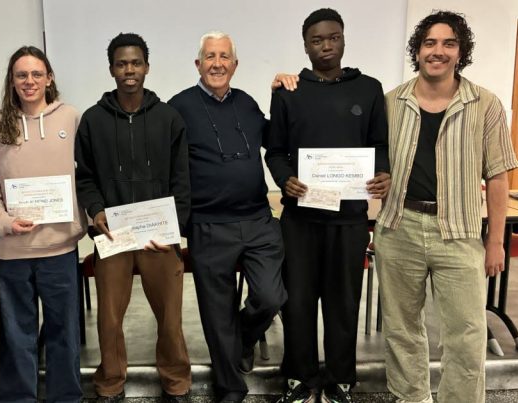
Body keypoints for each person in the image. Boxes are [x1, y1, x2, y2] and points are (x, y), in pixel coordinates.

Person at [374, 11, 518, 403]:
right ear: (417, 51)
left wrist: (495, 241)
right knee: (402, 328)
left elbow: (499, 176)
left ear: (460, 52)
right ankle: (412, 397)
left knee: (466, 332)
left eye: (448, 43)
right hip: (399, 227)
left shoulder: (485, 104)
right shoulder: (391, 102)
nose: (437, 51)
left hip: (459, 231)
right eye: (430, 43)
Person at [266, 8, 391, 403]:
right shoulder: (288, 92)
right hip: (300, 220)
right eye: (317, 40)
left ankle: (340, 380)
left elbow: (379, 144)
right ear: (305, 46)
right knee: (297, 303)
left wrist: (383, 172)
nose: (326, 46)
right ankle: (299, 379)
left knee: (343, 304)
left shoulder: (369, 89)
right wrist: (284, 178)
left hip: (349, 220)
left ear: (343, 39)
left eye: (333, 37)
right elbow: (275, 150)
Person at [168, 31, 286, 402]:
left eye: (224, 57)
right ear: (198, 64)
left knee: (270, 296)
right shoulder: (179, 107)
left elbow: (278, 139)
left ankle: (243, 337)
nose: (217, 64)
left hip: (257, 219)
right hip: (208, 223)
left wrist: (283, 95)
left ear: (234, 65)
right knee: (216, 312)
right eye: (210, 56)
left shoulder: (247, 103)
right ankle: (230, 386)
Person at [75, 32, 192, 402]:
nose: (129, 70)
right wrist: (96, 211)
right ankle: (110, 381)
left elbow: (182, 178)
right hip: (114, 236)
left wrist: (174, 228)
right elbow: (85, 177)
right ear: (111, 69)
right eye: (122, 63)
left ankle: (176, 379)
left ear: (147, 67)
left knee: (170, 318)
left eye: (136, 63)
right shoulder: (92, 120)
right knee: (109, 319)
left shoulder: (168, 118)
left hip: (159, 236)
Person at [0, 45, 87, 403]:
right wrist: (4, 221)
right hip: (14, 250)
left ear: (49, 78)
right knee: (17, 334)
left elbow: (85, 177)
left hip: (60, 248)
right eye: (21, 75)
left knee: (64, 332)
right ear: (12, 81)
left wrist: (81, 220)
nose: (29, 81)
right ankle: (18, 398)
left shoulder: (70, 118)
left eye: (36, 74)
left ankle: (66, 397)